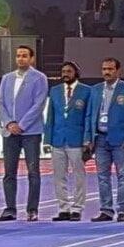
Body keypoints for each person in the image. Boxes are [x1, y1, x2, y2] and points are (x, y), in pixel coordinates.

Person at [0, 45, 49, 221]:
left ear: (32, 58)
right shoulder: (7, 78)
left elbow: (39, 104)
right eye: (18, 55)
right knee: (9, 172)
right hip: (10, 132)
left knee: (33, 172)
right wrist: (9, 123)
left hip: (31, 132)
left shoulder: (39, 78)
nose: (21, 58)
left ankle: (32, 209)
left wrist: (22, 125)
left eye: (24, 56)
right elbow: (0, 103)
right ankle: (10, 209)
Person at [86, 57, 124, 222]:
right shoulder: (95, 89)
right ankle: (106, 210)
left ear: (118, 71)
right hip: (100, 138)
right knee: (102, 176)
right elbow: (89, 115)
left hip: (120, 139)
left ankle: (123, 210)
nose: (106, 72)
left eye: (110, 69)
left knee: (123, 175)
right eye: (104, 69)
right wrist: (88, 137)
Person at [44, 61, 90, 221]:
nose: (65, 74)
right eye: (63, 71)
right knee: (59, 176)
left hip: (77, 140)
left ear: (76, 73)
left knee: (79, 176)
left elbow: (88, 117)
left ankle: (77, 208)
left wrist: (87, 139)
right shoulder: (55, 91)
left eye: (69, 71)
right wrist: (47, 140)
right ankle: (63, 208)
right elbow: (50, 116)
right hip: (58, 139)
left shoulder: (86, 91)